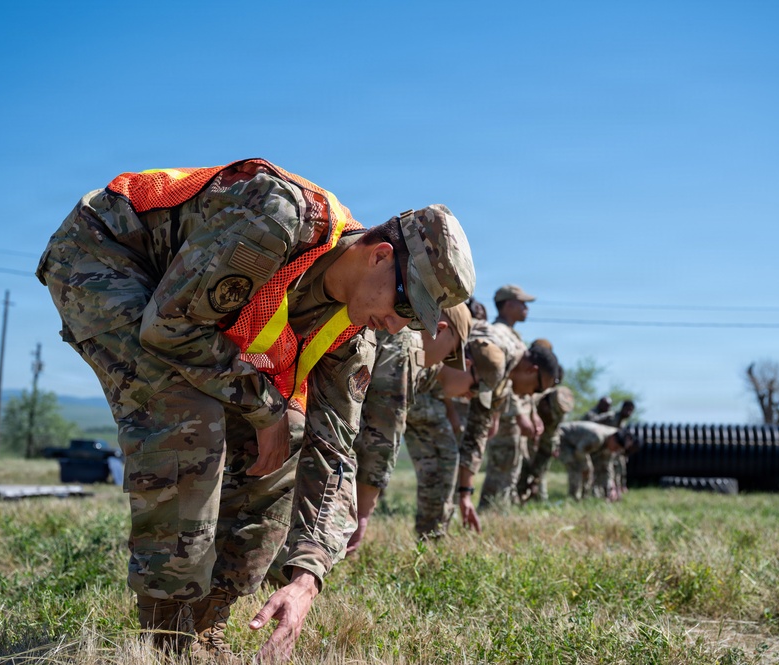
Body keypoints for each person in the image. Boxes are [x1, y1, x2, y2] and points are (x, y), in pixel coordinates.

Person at [36, 158, 475, 662]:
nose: (398, 327)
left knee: (288, 436)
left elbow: (333, 455)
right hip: (105, 253)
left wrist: (307, 577)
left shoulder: (356, 337)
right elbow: (170, 330)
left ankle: (209, 620)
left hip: (181, 312)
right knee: (187, 417)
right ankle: (169, 638)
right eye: (405, 306)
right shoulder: (277, 220)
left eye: (414, 321)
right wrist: (263, 408)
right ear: (379, 257)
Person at [345, 302, 472, 554]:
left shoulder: (389, 319)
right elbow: (383, 430)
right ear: (441, 329)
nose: (444, 363)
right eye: (451, 352)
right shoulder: (408, 343)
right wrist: (362, 515)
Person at [479, 285, 542, 509]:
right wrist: (519, 415)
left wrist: (532, 414)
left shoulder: (514, 336)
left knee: (512, 464)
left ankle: (502, 509)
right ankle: (491, 510)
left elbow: (525, 385)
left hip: (516, 412)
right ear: (507, 304)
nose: (526, 308)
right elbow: (504, 380)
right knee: (503, 465)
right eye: (522, 303)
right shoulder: (498, 333)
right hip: (505, 412)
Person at [557, 422, 628, 500]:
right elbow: (579, 452)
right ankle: (573, 498)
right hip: (563, 437)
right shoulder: (597, 438)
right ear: (613, 438)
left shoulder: (611, 441)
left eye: (618, 449)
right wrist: (586, 467)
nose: (615, 450)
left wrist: (610, 488)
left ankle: (584, 496)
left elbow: (606, 468)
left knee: (588, 470)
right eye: (615, 447)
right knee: (576, 467)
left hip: (575, 444)